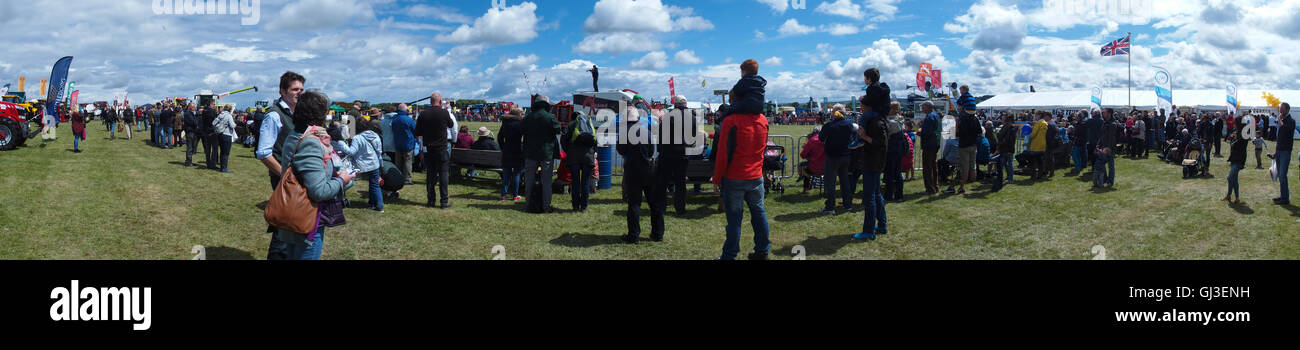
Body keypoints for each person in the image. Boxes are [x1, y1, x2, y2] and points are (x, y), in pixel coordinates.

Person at [275, 90, 354, 260]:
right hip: (307, 219)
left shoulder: (296, 135)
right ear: (319, 114)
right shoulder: (309, 141)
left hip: (294, 212)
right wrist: (342, 180)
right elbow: (319, 191)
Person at [712, 59, 771, 259]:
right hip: (755, 176)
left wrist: (717, 178)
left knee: (735, 220)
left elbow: (722, 155)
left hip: (735, 177)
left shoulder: (730, 120)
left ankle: (729, 255)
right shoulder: (763, 120)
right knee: (759, 215)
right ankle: (762, 251)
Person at [254, 71, 306, 260]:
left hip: (296, 178)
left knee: (291, 225)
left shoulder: (297, 113)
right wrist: (285, 175)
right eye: (294, 89)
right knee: (285, 226)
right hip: (284, 178)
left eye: (301, 89)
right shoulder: (275, 116)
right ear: (283, 91)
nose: (299, 93)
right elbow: (263, 153)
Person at [853, 68, 890, 241]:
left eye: (862, 106)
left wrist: (864, 137)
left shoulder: (876, 121)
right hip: (874, 161)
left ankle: (869, 231)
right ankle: (881, 225)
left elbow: (880, 143)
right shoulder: (878, 118)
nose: (860, 108)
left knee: (869, 198)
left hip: (873, 162)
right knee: (876, 195)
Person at [618, 109, 663, 244]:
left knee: (634, 204)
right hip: (649, 170)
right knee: (654, 204)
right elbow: (651, 151)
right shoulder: (646, 132)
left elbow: (621, 150)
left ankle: (633, 235)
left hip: (632, 171)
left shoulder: (624, 133)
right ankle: (658, 233)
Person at [522, 94, 561, 213]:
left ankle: (528, 205)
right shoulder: (550, 117)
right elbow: (558, 129)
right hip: (546, 153)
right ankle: (546, 207)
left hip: (530, 153)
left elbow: (522, 129)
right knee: (547, 182)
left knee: (529, 180)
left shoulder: (529, 117)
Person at [336, 118, 384, 212]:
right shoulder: (375, 135)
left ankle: (378, 205)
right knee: (375, 185)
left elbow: (351, 152)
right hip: (374, 162)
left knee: (349, 180)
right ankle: (375, 204)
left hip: (363, 164)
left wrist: (341, 144)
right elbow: (379, 149)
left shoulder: (357, 138)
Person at [415, 93, 454, 208]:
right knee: (443, 175)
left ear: (430, 101)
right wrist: (446, 110)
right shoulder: (444, 113)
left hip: (428, 149)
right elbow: (451, 125)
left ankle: (431, 200)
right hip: (441, 148)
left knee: (430, 176)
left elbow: (417, 133)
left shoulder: (423, 114)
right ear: (440, 101)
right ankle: (444, 201)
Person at [819, 106, 854, 213]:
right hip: (846, 156)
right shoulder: (849, 124)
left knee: (830, 182)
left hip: (833, 157)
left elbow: (821, 138)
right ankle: (847, 204)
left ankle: (830, 207)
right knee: (845, 181)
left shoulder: (830, 125)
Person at [565, 108, 597, 212]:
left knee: (575, 181)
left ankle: (575, 206)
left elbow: (563, 140)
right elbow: (595, 141)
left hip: (574, 157)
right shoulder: (589, 124)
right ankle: (584, 206)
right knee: (585, 181)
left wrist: (568, 150)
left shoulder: (570, 125)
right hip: (587, 157)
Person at [954, 95, 981, 193]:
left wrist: (956, 124)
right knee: (972, 165)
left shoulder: (962, 119)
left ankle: (962, 186)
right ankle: (971, 182)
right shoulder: (975, 118)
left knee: (964, 167)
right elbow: (979, 131)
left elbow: (958, 133)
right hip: (973, 145)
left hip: (964, 145)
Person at [498, 107, 525, 201]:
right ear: (518, 114)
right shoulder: (520, 123)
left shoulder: (505, 123)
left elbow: (499, 137)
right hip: (518, 149)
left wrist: (503, 147)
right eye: (522, 114)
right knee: (517, 173)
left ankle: (503, 195)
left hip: (507, 149)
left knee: (506, 174)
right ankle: (515, 195)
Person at [884, 102, 906, 201]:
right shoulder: (900, 119)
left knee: (890, 173)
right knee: (897, 172)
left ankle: (889, 195)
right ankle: (899, 195)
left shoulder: (891, 122)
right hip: (899, 149)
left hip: (891, 149)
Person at [919, 101, 942, 194]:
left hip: (929, 144)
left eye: (923, 107)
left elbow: (927, 132)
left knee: (928, 167)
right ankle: (935, 185)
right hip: (935, 143)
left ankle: (930, 188)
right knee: (933, 165)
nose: (922, 109)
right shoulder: (935, 115)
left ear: (928, 107)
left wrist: (919, 132)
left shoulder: (929, 117)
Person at [1224, 116, 1248, 204]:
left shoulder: (1244, 133)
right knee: (1234, 178)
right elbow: (1233, 139)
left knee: (1230, 177)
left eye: (1235, 123)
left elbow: (1241, 143)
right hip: (1234, 157)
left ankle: (1231, 195)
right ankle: (1234, 196)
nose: (1234, 124)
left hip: (1239, 158)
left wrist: (1234, 143)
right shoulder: (1237, 131)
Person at [1275, 103, 1294, 205]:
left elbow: (1286, 130)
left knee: (1283, 175)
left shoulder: (1291, 121)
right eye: (1280, 109)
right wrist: (1276, 150)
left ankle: (1285, 198)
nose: (1280, 111)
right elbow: (1280, 137)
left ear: (1287, 110)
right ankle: (1283, 196)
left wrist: (1280, 120)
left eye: (1282, 109)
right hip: (1279, 150)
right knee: (1280, 175)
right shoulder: (1282, 121)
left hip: (1285, 151)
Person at [1094, 109, 1118, 188]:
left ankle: (1110, 182)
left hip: (1109, 147)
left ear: (1109, 113)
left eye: (1104, 112)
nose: (1103, 113)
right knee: (1102, 164)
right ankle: (1105, 180)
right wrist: (1098, 144)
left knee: (1110, 166)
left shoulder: (1112, 123)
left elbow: (1112, 137)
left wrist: (1108, 148)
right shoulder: (1105, 122)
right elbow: (1102, 135)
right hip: (1103, 146)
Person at [993, 114, 1017, 192]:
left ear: (1007, 119)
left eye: (1003, 118)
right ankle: (1008, 177)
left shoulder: (1010, 127)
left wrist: (1010, 150)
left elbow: (1010, 140)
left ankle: (1010, 178)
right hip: (1005, 148)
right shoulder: (1007, 126)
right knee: (1005, 164)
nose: (1002, 119)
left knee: (1008, 163)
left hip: (1007, 148)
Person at [799, 126, 825, 193]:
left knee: (803, 167)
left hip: (813, 167)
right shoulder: (828, 140)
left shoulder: (812, 140)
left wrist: (805, 147)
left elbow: (802, 155)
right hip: (827, 168)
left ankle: (806, 187)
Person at [214, 106, 236, 173]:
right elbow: (232, 125)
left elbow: (213, 123)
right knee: (226, 152)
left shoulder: (220, 115)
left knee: (222, 151)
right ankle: (224, 168)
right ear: (230, 109)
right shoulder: (229, 116)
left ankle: (222, 166)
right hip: (227, 134)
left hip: (220, 134)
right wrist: (235, 124)